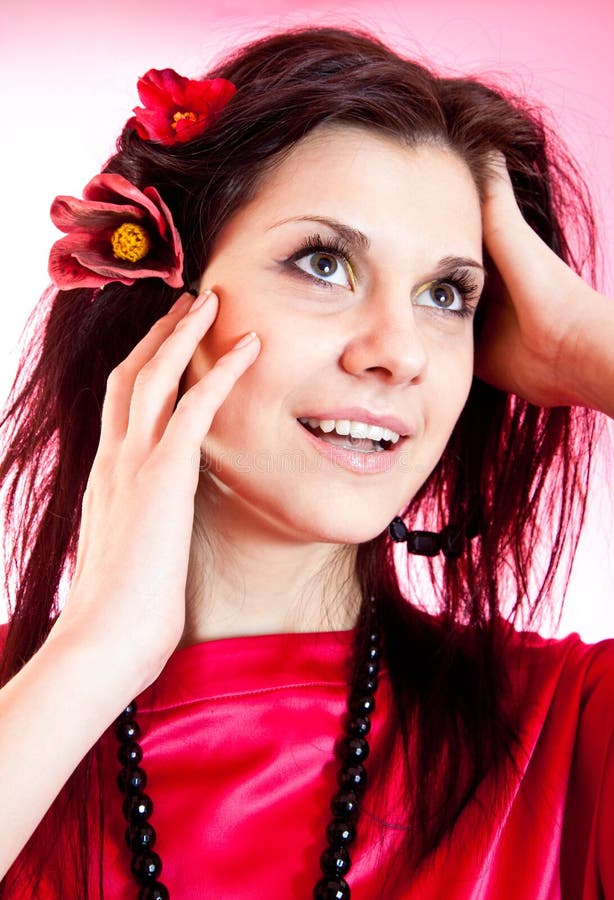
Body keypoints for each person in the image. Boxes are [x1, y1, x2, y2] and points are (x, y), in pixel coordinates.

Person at [0, 24, 612, 900]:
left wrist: (586, 347)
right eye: (324, 263)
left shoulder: (564, 741)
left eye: (447, 295)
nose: (399, 352)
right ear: (162, 299)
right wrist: (95, 657)